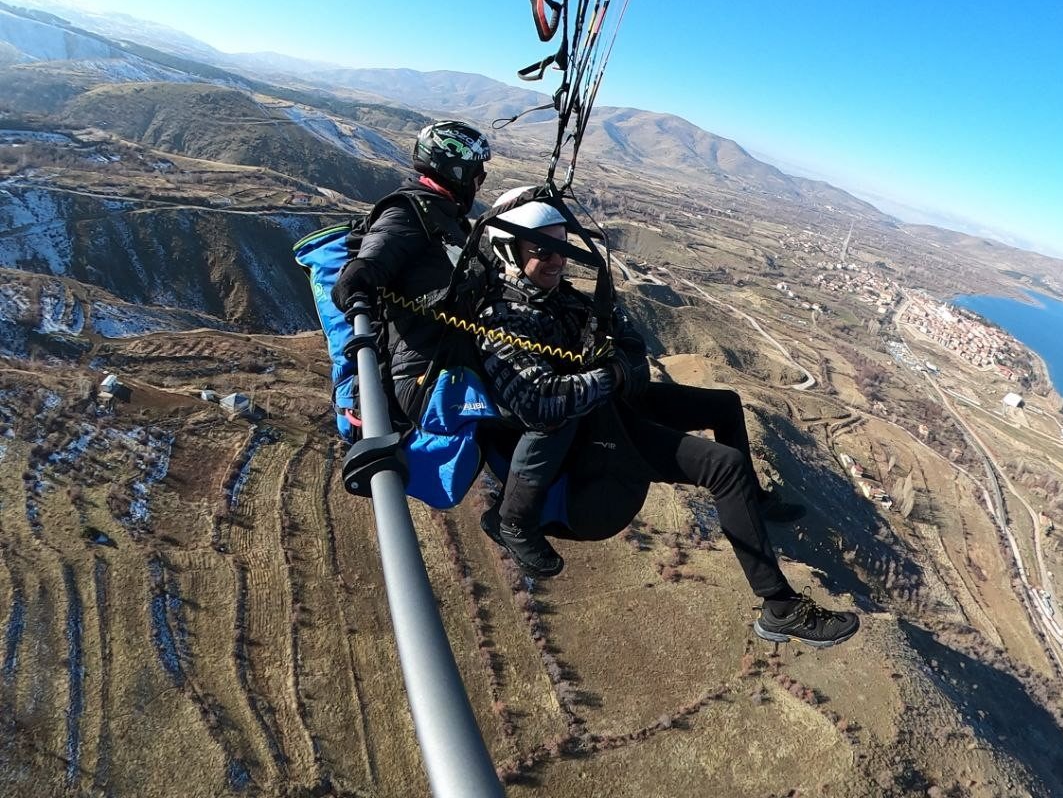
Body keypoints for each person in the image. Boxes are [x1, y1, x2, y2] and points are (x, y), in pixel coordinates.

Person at [475, 189, 859, 648]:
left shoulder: (560, 299)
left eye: (562, 247)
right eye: (543, 249)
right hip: (586, 436)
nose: (558, 260)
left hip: (607, 406)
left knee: (724, 404)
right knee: (725, 466)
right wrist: (612, 373)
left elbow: (631, 343)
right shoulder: (502, 318)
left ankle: (752, 503)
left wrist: (619, 367)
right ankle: (779, 607)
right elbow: (540, 402)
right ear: (508, 252)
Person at [330, 120, 491, 420]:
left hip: (446, 356)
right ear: (457, 171)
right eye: (478, 175)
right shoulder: (407, 212)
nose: (479, 183)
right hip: (420, 372)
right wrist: (359, 282)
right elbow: (363, 269)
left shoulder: (443, 214)